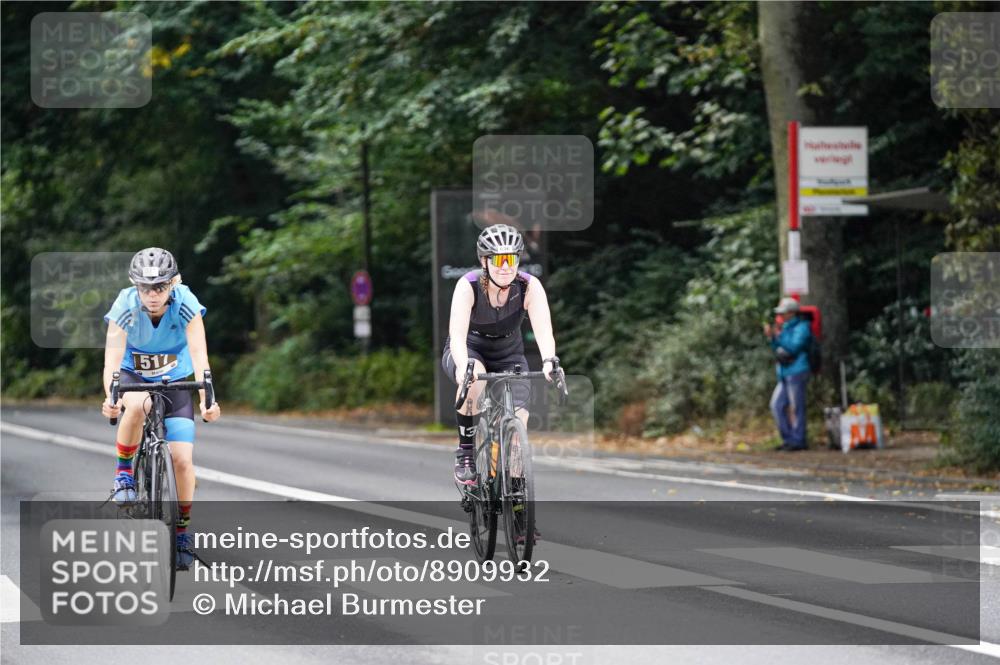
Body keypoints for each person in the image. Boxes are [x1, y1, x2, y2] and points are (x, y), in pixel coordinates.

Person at [101, 248, 221, 569]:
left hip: (175, 378)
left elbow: (199, 357)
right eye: (145, 288)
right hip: (132, 375)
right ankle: (124, 474)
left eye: (160, 288)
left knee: (182, 460)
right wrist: (112, 398)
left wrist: (208, 400)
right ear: (134, 285)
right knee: (139, 405)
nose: (152, 296)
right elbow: (112, 361)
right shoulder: (125, 305)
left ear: (173, 284)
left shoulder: (185, 304)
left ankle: (182, 534)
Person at [441, 224, 560, 490]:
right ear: (485, 261)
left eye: (513, 259)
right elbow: (457, 335)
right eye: (499, 259)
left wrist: (550, 360)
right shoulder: (468, 285)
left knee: (519, 429)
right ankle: (466, 452)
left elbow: (544, 330)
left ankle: (517, 505)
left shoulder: (529, 286)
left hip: (509, 355)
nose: (507, 266)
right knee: (475, 382)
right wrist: (463, 366)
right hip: (470, 349)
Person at [763, 297, 812, 451]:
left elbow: (793, 347)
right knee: (776, 405)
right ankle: (788, 439)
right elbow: (778, 349)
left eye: (784, 313)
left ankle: (799, 441)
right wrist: (772, 338)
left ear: (792, 312)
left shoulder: (802, 327)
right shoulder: (783, 327)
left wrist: (777, 336)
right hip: (784, 373)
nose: (781, 315)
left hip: (798, 370)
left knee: (797, 407)